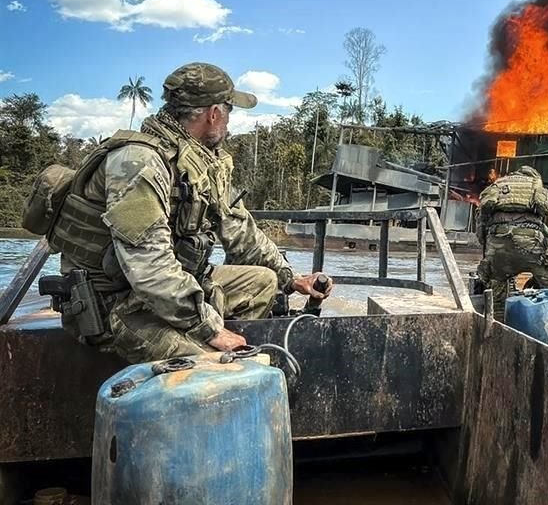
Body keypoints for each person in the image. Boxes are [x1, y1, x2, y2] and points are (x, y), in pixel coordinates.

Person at [46, 62, 333, 363]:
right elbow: (149, 268)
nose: (227, 122)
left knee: (262, 281)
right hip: (115, 307)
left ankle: (218, 345)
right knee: (223, 371)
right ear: (214, 114)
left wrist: (292, 278)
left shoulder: (200, 161)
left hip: (164, 293)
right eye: (229, 112)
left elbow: (241, 232)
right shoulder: (139, 163)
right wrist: (209, 331)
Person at [475, 165, 548, 335]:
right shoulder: (538, 188)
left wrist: (490, 255)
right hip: (532, 247)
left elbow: (481, 223)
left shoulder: (496, 187)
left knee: (497, 299)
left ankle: (497, 335)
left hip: (498, 248)